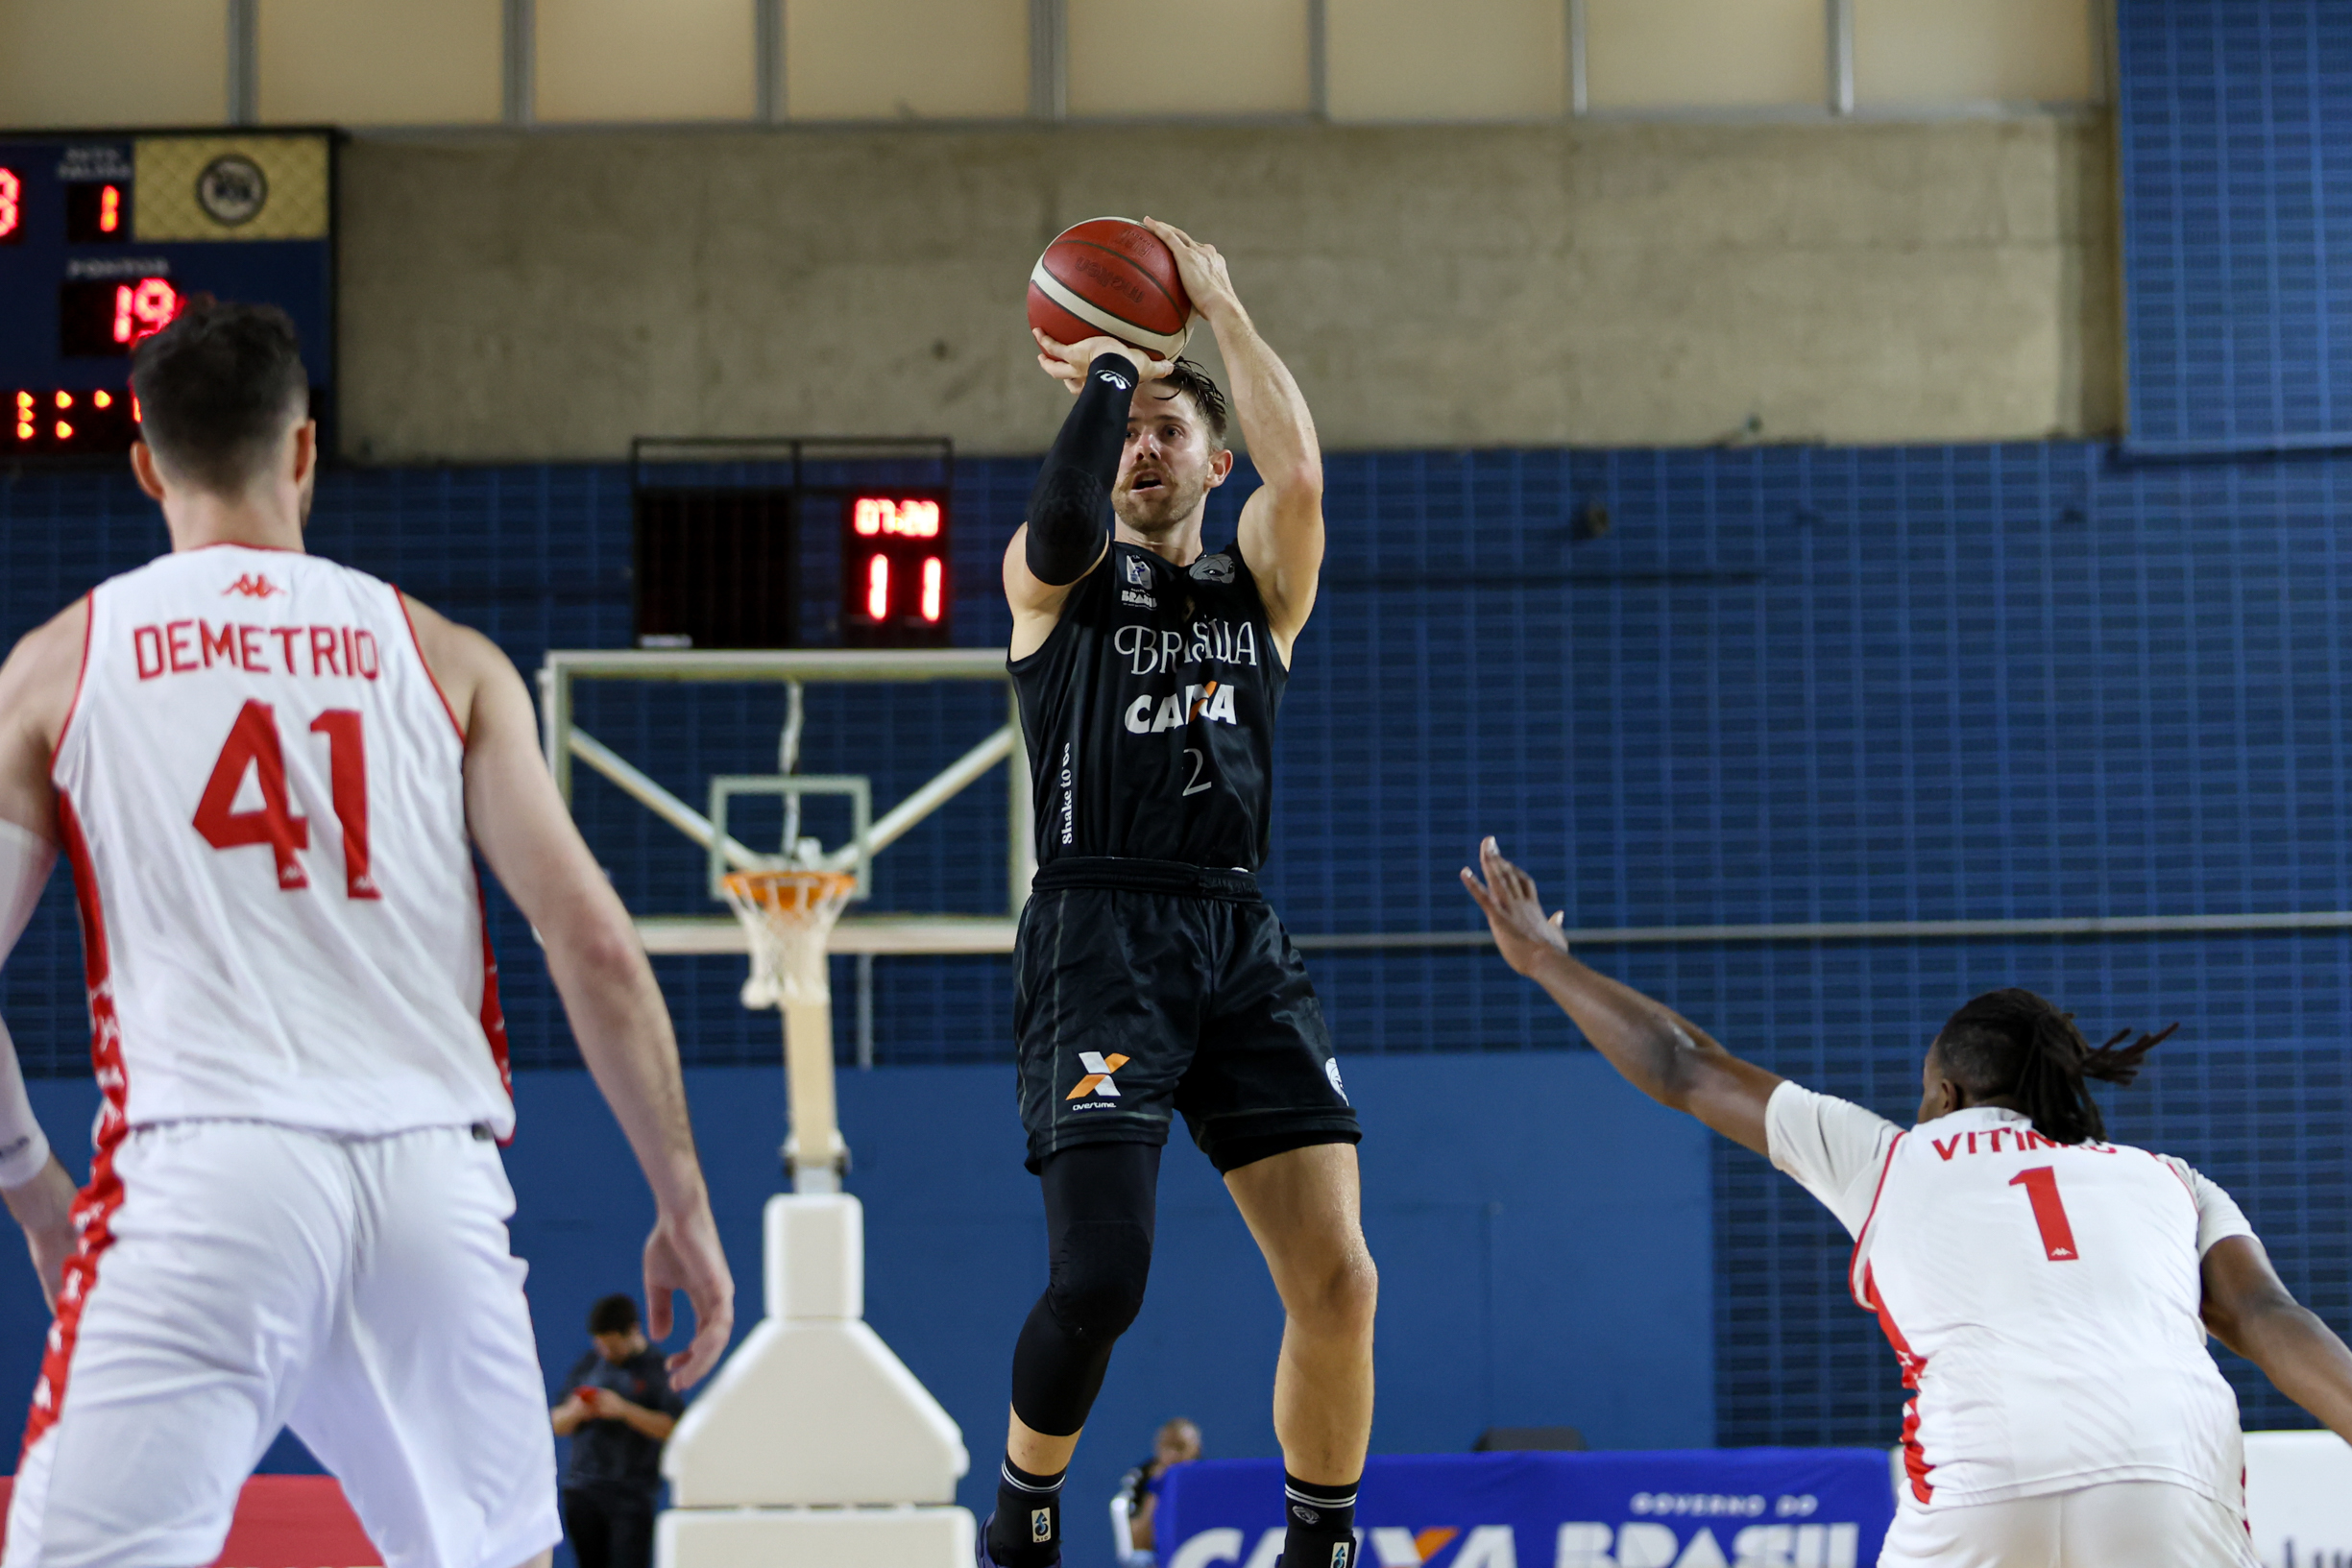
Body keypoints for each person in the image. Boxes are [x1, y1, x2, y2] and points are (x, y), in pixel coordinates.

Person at [0, 299, 735, 1568]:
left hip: (205, 1174)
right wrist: (683, 1201)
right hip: (429, 1187)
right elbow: (597, 947)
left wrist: (33, 1187)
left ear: (146, 468)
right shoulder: (444, 658)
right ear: (303, 450)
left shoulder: (63, 666)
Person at [1461, 837, 2352, 1568]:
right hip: (2168, 1481)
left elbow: (1682, 1064)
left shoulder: (1889, 1158)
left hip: (1978, 1493)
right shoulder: (2171, 1179)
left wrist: (1542, 959)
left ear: (1948, 1095)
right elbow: (2272, 1321)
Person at [985, 219, 1377, 1568]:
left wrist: (1220, 309)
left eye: (1172, 429)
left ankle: (1319, 1544)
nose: (1145, 446)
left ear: (1216, 461)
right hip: (1097, 931)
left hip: (1236, 930)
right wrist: (1112, 367)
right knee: (1102, 1277)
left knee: (1338, 1276)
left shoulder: (1257, 582)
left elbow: (1301, 473)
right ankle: (1024, 1512)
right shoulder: (1060, 582)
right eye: (1130, 433)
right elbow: (1058, 520)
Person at [552, 1293, 687, 1568]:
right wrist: (576, 1411)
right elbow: (556, 1423)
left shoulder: (658, 1370)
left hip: (630, 1495)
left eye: (612, 1346)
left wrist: (624, 1410)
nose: (606, 1352)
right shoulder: (589, 1364)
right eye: (601, 1345)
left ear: (633, 1332)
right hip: (583, 1490)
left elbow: (672, 1427)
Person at [1115, 1417, 1201, 1565]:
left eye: (1180, 1447)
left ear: (1196, 1449)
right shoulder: (1142, 1478)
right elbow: (1138, 1544)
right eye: (1167, 1447)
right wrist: (1157, 1490)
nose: (1173, 1455)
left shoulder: (1207, 1479)